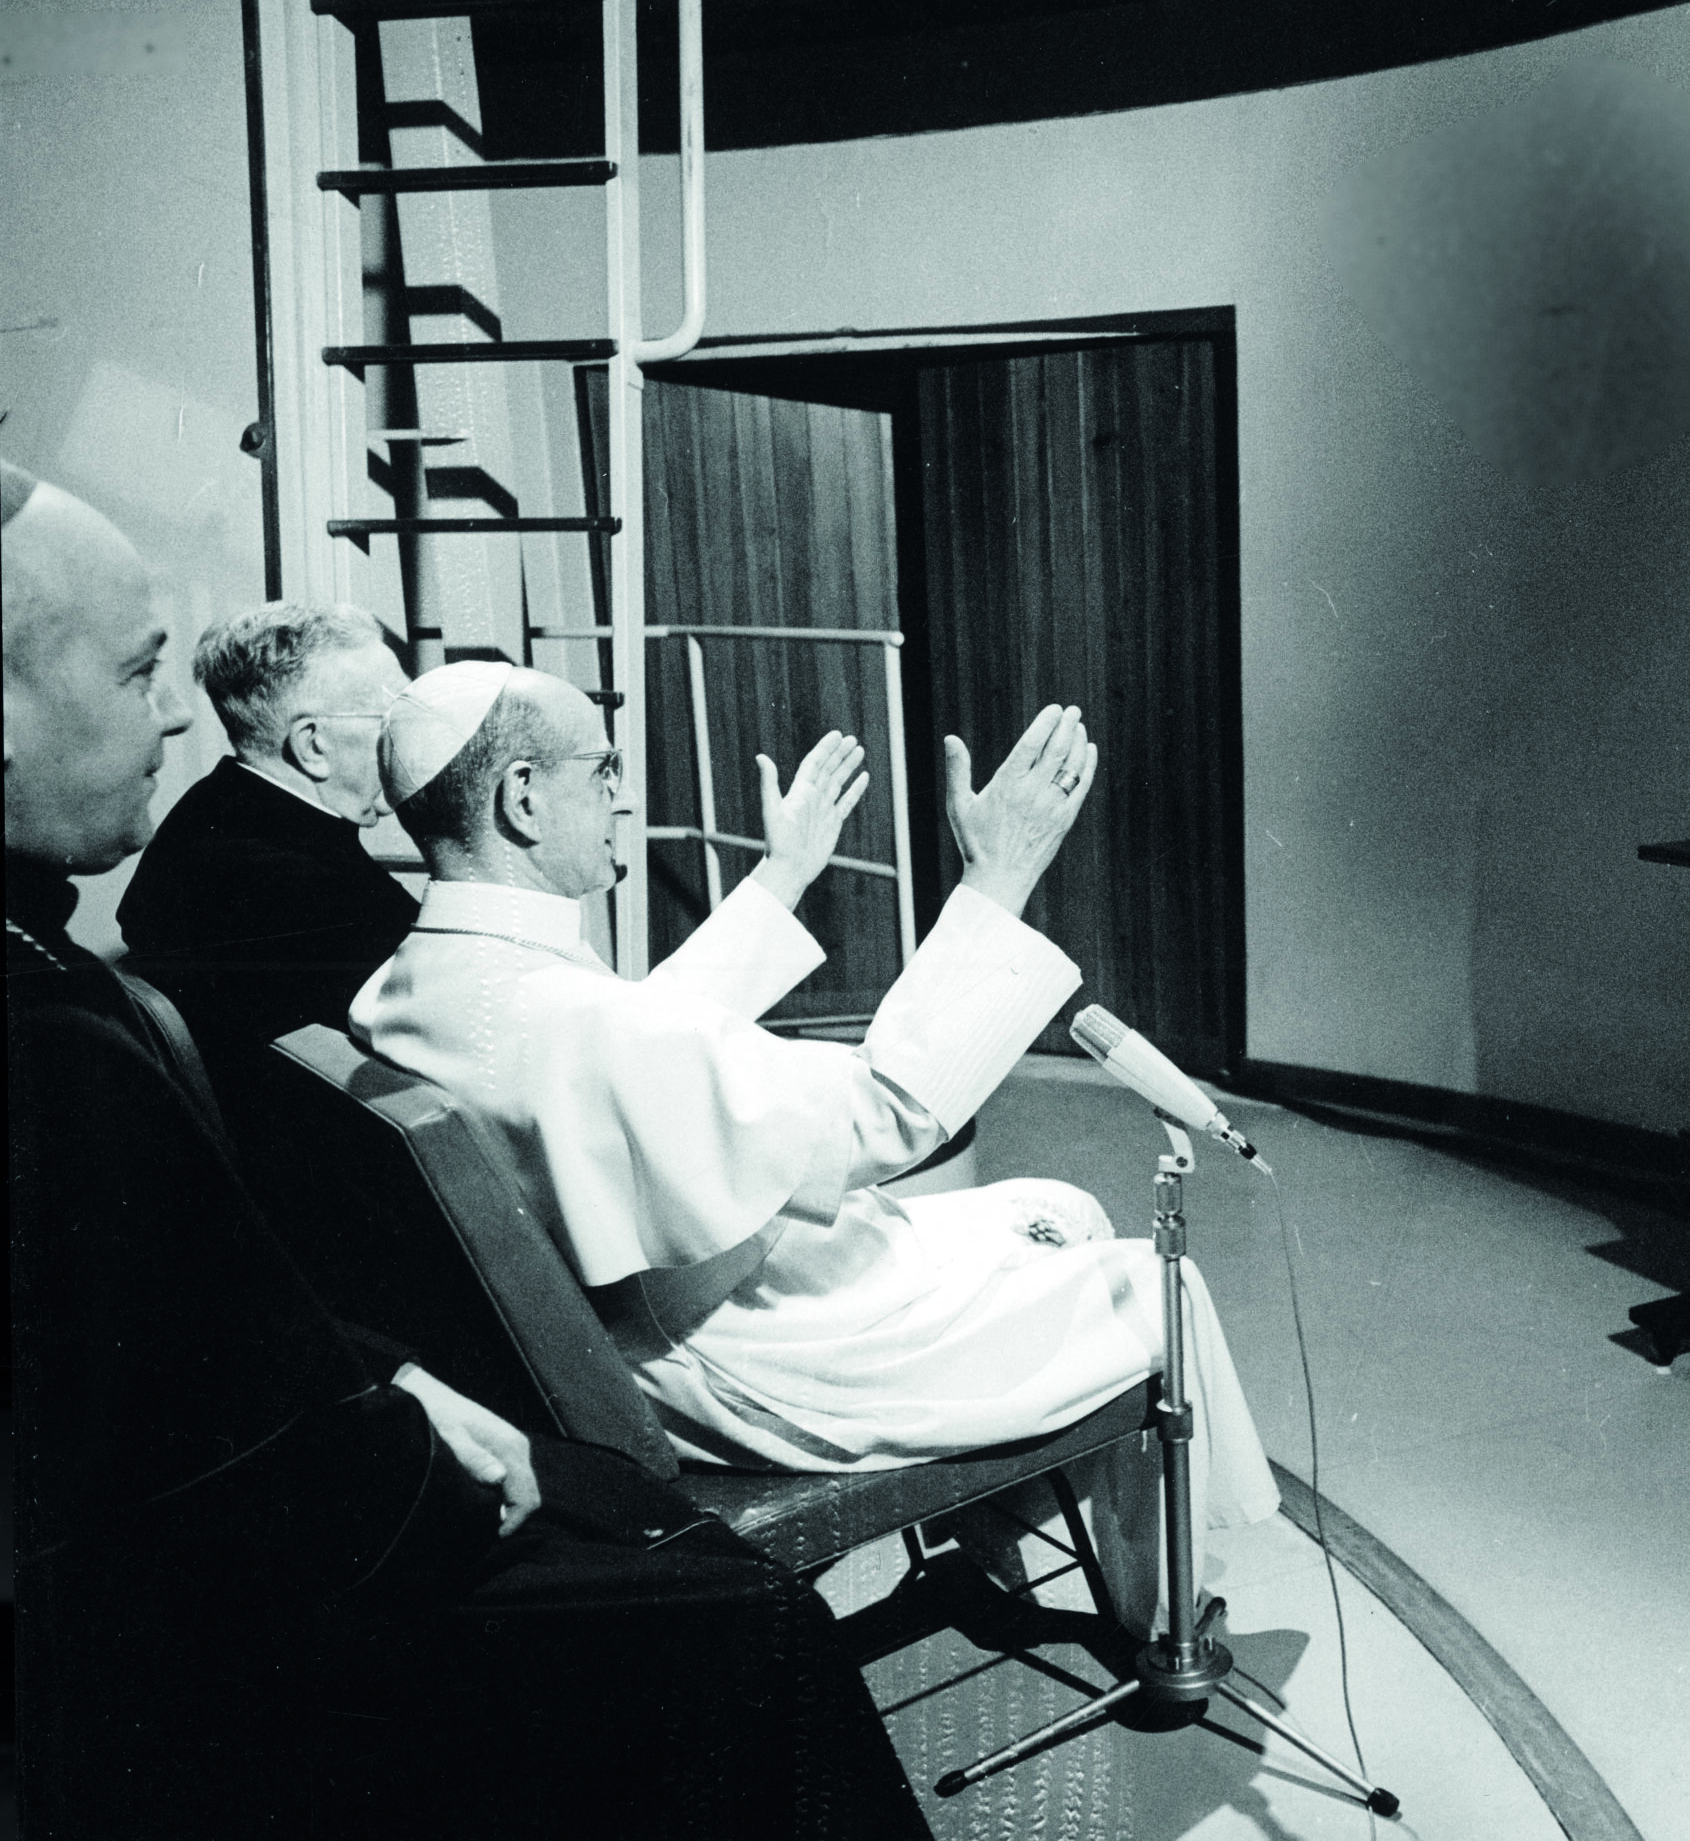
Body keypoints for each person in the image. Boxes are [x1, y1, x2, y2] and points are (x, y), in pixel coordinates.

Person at [3, 460, 930, 1840]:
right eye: (140, 672)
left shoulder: (181, 898)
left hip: (337, 1383)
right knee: (746, 1614)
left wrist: (383, 1380)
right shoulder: (124, 990)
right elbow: (610, 1061)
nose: (175, 711)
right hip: (250, 1579)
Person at [347, 661, 1279, 1625]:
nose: (622, 796)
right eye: (604, 768)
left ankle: (997, 1523)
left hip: (666, 1326)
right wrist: (1000, 875)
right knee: (1153, 1288)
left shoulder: (420, 980)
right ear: (523, 797)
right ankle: (1167, 1627)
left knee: (1062, 1208)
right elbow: (885, 1113)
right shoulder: (568, 1015)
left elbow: (643, 1039)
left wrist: (783, 871)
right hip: (747, 1359)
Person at [117, 601, 420, 1125]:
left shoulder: (206, 813)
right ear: (313, 745)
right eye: (395, 719)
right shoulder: (307, 894)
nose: (408, 740)